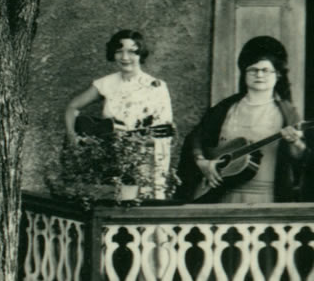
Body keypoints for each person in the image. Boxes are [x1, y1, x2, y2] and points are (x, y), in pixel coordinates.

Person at [181, 36, 308, 203]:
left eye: (265, 70)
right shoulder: (226, 107)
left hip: (267, 199)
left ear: (277, 75)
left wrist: (295, 143)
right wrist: (202, 162)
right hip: (221, 195)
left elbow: (300, 158)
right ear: (244, 73)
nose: (259, 75)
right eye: (253, 70)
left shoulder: (288, 113)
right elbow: (196, 138)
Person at [63, 30, 176, 199]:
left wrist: (134, 141)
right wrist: (72, 135)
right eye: (119, 51)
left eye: (132, 51)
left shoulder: (156, 87)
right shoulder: (106, 83)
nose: (125, 57)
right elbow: (72, 107)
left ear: (140, 54)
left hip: (140, 161)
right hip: (105, 159)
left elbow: (162, 136)